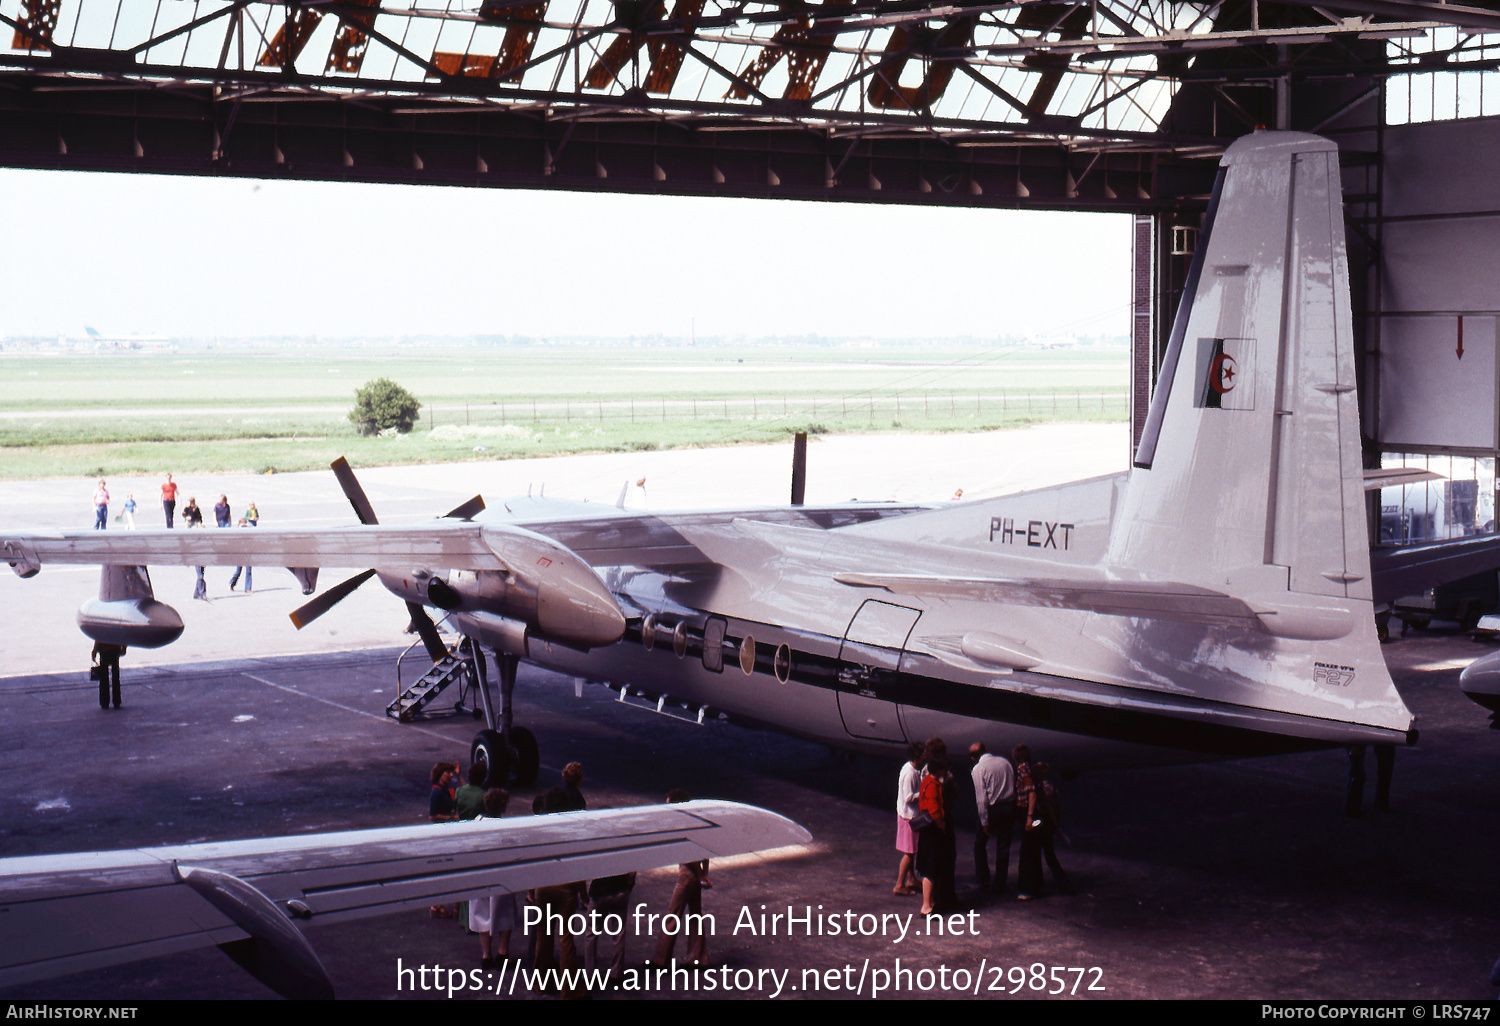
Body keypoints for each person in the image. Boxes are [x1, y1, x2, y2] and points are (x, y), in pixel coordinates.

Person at [654, 788, 710, 966]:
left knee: (673, 915)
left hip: (687, 875)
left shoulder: (682, 824)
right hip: (696, 874)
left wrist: (700, 875)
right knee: (695, 916)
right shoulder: (696, 821)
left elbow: (688, 855)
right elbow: (705, 851)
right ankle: (699, 957)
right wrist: (704, 873)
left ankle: (660, 960)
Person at [470, 788, 518, 968]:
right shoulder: (505, 828)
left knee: (482, 914)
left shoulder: (476, 822)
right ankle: (503, 952)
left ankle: (486, 955)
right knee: (505, 913)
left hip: (479, 875)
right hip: (501, 876)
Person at [970, 742, 1015, 893]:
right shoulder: (1005, 762)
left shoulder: (978, 769)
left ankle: (983, 879)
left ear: (973, 758)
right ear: (987, 749)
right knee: (1003, 845)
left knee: (980, 844)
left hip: (993, 809)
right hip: (1008, 807)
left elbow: (981, 798)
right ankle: (1000, 882)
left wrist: (984, 821)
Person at [916, 751, 955, 916]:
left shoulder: (926, 781)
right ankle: (926, 906)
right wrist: (942, 824)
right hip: (933, 831)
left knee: (929, 867)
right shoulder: (933, 785)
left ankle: (929, 902)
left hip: (927, 831)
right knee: (931, 869)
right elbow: (934, 809)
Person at [894, 741, 923, 896]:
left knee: (912, 850)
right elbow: (909, 797)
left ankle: (911, 879)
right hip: (909, 817)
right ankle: (899, 884)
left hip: (907, 815)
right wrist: (924, 793)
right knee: (910, 852)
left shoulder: (910, 768)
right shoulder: (910, 772)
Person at [229, 517, 255, 592]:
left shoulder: (249, 532)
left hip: (248, 553)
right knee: (238, 571)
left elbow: (254, 529)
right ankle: (232, 583)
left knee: (248, 571)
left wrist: (249, 526)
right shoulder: (237, 533)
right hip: (240, 554)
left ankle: (248, 588)